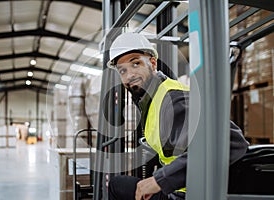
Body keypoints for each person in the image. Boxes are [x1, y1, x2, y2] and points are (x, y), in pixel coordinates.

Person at [106, 32, 249, 200]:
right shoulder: (152, 99)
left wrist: (160, 180)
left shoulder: (174, 99)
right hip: (180, 189)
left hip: (188, 194)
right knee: (119, 183)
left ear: (152, 63)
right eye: (122, 71)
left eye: (136, 64)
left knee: (116, 186)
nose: (129, 75)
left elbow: (232, 142)